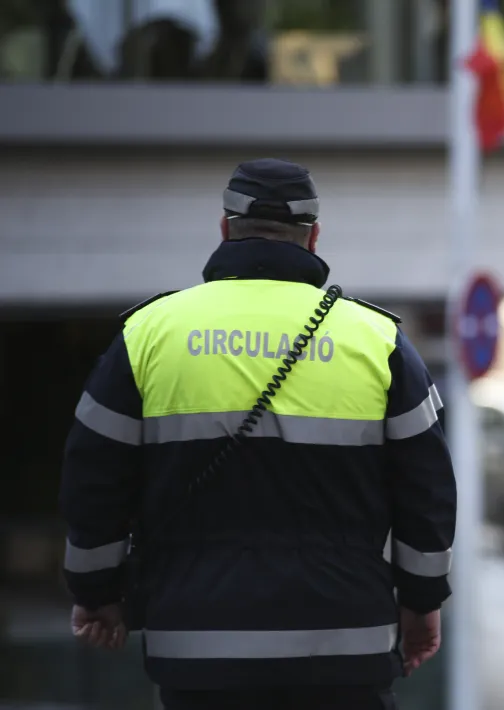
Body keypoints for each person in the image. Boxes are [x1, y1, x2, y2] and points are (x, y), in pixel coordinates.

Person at [59, 158, 457, 710]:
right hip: (345, 651)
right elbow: (428, 495)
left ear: (225, 229)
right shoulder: (378, 342)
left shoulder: (148, 335)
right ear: (314, 237)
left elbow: (92, 480)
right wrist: (422, 604)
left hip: (199, 654)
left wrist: (97, 593)